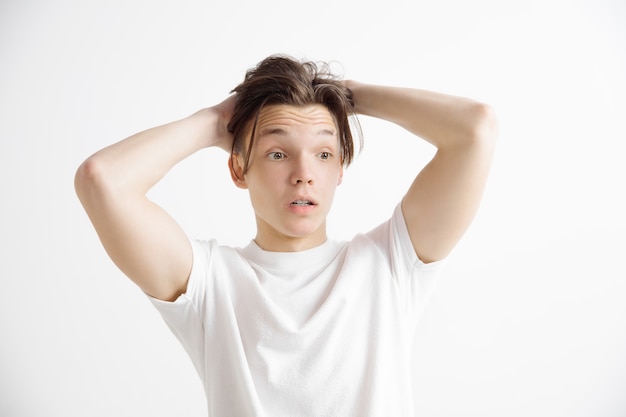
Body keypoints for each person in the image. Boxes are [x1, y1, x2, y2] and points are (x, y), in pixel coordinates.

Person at [75, 54, 497, 416]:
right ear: (239, 169)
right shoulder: (207, 282)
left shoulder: (391, 263)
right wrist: (216, 120)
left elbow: (475, 128)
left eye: (324, 154)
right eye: (278, 154)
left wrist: (349, 95)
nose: (303, 176)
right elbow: (103, 180)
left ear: (340, 171)